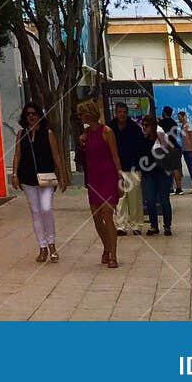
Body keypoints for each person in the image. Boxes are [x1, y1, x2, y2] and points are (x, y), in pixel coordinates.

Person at [12, 102, 69, 263]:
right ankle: (42, 246)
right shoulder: (21, 134)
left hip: (47, 178)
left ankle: (52, 244)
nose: (31, 116)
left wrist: (62, 175)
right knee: (36, 212)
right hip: (28, 178)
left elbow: (56, 155)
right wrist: (15, 174)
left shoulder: (48, 133)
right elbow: (17, 155)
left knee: (46, 208)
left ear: (39, 115)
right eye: (28, 114)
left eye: (34, 113)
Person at [76, 98, 121, 268]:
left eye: (83, 114)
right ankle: (106, 246)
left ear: (91, 113)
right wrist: (82, 142)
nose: (82, 117)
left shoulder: (107, 131)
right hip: (93, 177)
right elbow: (82, 158)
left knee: (107, 215)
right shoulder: (85, 135)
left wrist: (120, 176)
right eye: (80, 115)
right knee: (96, 218)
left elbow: (115, 155)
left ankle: (113, 255)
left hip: (108, 175)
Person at [109, 102, 147, 236]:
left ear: (127, 113)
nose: (122, 115)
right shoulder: (110, 127)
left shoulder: (134, 128)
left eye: (124, 112)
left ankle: (136, 224)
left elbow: (141, 147)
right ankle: (121, 225)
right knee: (120, 199)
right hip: (116, 168)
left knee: (135, 198)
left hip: (133, 167)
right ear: (116, 113)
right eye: (119, 112)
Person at [140, 113, 176, 235]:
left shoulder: (161, 136)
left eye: (146, 125)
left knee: (164, 199)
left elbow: (170, 151)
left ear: (152, 126)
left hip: (163, 172)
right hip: (149, 173)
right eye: (143, 125)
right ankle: (154, 225)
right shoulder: (143, 140)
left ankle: (167, 226)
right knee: (150, 200)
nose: (144, 127)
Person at [163, 106, 182, 193]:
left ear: (164, 113)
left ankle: (170, 188)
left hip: (166, 147)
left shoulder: (161, 123)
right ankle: (179, 188)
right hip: (175, 147)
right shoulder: (174, 123)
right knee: (176, 168)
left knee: (167, 168)